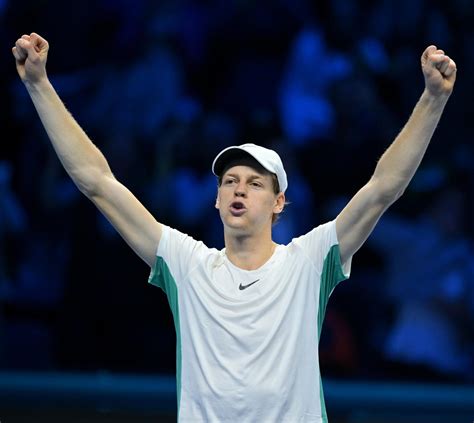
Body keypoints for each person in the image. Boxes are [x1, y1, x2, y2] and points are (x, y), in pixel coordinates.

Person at [12, 32, 456, 422]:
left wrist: (432, 99)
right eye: (229, 182)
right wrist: (39, 85)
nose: (239, 189)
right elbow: (99, 183)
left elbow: (383, 188)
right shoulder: (186, 264)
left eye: (254, 183)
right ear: (218, 200)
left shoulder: (309, 261)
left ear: (278, 202)